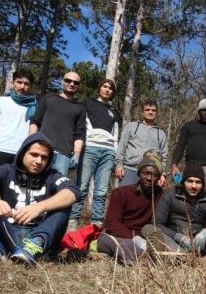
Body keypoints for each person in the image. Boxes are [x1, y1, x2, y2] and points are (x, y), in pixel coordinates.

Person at [0, 133, 81, 266]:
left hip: (40, 237)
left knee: (64, 202)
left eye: (44, 157)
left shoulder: (53, 176)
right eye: (34, 154)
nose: (39, 161)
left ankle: (34, 246)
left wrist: (39, 207)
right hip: (7, 232)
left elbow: (73, 192)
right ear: (22, 153)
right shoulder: (6, 170)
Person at [141, 161, 206, 258]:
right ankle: (175, 253)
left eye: (198, 182)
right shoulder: (170, 195)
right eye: (190, 181)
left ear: (203, 184)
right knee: (148, 228)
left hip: (200, 246)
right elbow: (157, 223)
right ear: (183, 182)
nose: (194, 186)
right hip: (174, 241)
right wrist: (179, 237)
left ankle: (181, 256)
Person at [68, 79, 122, 230]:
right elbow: (79, 125)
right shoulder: (87, 103)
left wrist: (115, 155)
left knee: (101, 191)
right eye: (104, 86)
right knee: (81, 186)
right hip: (89, 148)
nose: (107, 90)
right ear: (99, 88)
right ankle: (72, 224)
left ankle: (96, 227)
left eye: (110, 88)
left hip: (108, 153)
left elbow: (116, 135)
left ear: (113, 93)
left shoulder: (115, 112)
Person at [97, 152, 163, 265]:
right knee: (125, 246)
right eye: (145, 173)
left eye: (154, 175)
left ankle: (159, 257)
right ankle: (143, 260)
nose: (149, 178)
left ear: (158, 177)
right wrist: (134, 237)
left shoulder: (160, 195)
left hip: (143, 237)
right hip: (114, 235)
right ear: (139, 173)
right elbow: (112, 224)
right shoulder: (121, 193)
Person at [29, 71, 86, 175]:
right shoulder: (48, 98)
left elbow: (80, 133)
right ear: (62, 82)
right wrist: (31, 142)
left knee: (57, 188)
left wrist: (77, 153)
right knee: (35, 185)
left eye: (76, 82)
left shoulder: (80, 107)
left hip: (63, 156)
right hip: (41, 150)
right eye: (68, 80)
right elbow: (35, 121)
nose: (72, 84)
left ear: (79, 86)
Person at [171, 98, 206, 200]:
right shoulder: (188, 126)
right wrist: (174, 164)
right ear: (199, 111)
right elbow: (180, 146)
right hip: (191, 166)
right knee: (187, 199)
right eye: (203, 110)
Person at [0, 68, 38, 168]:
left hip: (21, 153)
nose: (22, 86)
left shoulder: (35, 106)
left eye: (26, 83)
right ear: (12, 83)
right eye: (19, 82)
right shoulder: (1, 101)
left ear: (31, 86)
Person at [115, 100, 168, 187]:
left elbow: (164, 156)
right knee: (125, 198)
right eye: (147, 110)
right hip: (130, 170)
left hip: (151, 173)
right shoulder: (131, 126)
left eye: (153, 110)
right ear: (142, 112)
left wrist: (163, 174)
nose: (150, 112)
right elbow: (122, 147)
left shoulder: (161, 133)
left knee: (147, 200)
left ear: (156, 112)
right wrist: (119, 165)